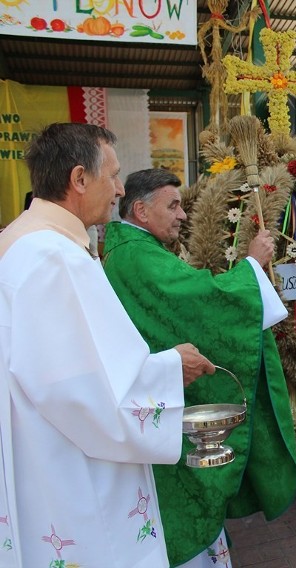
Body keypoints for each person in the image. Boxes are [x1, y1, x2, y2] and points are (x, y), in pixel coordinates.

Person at [0, 122, 214, 568]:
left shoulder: (23, 243)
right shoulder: (54, 258)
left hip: (39, 452)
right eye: (112, 175)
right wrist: (171, 366)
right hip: (71, 468)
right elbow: (87, 394)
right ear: (79, 179)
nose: (119, 189)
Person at [102, 168, 296, 567]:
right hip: (159, 406)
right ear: (141, 210)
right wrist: (251, 267)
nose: (182, 215)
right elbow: (201, 302)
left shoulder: (134, 250)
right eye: (172, 205)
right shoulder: (135, 255)